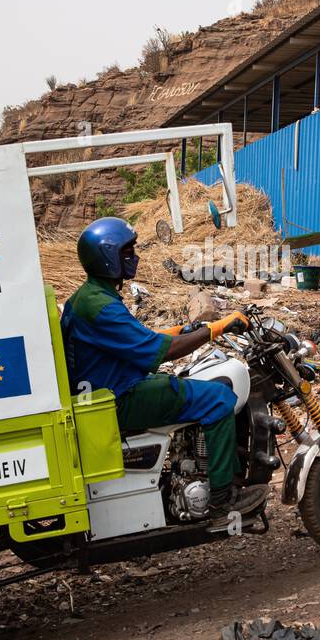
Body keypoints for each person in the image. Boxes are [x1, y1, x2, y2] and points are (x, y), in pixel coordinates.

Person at [61, 217, 267, 520]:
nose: (135, 257)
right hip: (119, 398)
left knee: (194, 388)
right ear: (108, 257)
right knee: (219, 399)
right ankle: (224, 498)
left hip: (110, 391)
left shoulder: (92, 297)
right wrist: (218, 328)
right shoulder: (100, 306)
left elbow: (142, 340)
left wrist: (188, 328)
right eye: (127, 252)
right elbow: (163, 352)